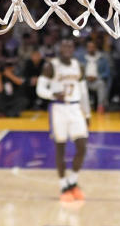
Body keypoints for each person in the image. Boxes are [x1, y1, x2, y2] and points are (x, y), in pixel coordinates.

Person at [37, 38, 88, 203]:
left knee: (82, 147)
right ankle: (63, 185)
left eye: (70, 46)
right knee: (61, 149)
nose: (67, 49)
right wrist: (52, 95)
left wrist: (87, 114)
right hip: (58, 109)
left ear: (74, 49)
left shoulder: (78, 65)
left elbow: (83, 91)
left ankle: (73, 181)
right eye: (64, 46)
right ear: (60, 48)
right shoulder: (50, 65)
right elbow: (40, 89)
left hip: (75, 108)